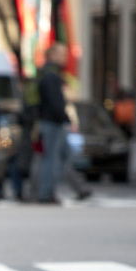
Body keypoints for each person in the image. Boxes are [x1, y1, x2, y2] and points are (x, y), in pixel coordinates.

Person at [37, 42, 84, 203]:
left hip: (51, 121)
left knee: (60, 156)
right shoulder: (52, 74)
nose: (64, 58)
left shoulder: (47, 72)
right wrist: (67, 120)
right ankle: (46, 193)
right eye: (62, 54)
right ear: (53, 55)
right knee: (52, 158)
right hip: (53, 122)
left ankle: (48, 191)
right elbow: (56, 101)